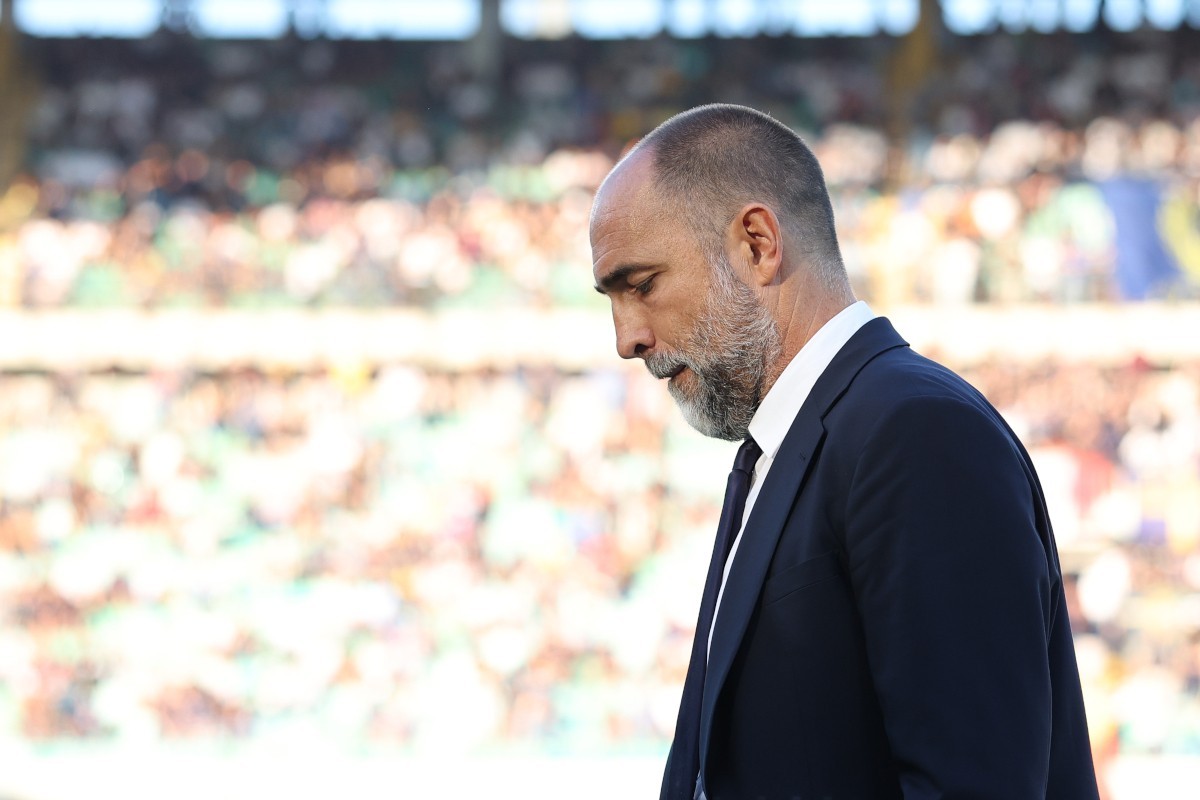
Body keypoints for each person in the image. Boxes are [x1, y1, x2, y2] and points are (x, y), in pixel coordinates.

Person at [589, 104, 1100, 799]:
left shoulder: (915, 434)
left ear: (757, 244)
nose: (627, 338)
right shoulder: (792, 443)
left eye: (642, 285)